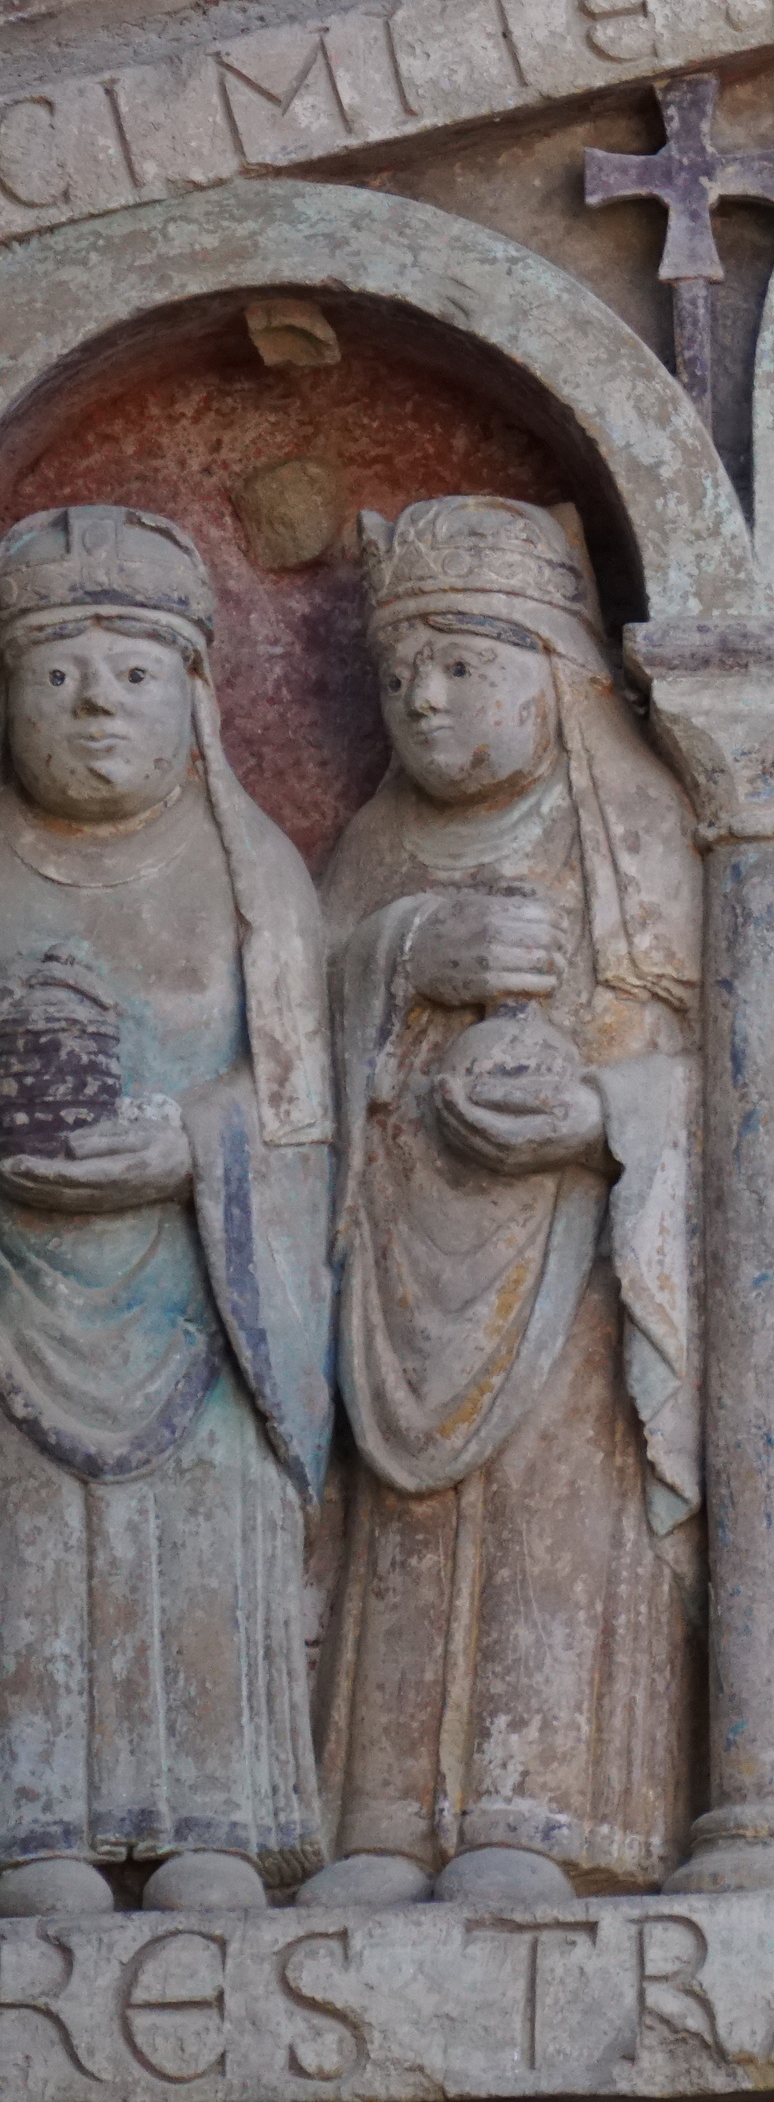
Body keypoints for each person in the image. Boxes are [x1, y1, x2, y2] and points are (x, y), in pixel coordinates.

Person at [303, 499, 703, 1909]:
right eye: (401, 666)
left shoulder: (642, 834)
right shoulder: (368, 853)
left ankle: (542, 1806)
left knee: (558, 1503)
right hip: (403, 1259)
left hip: (585, 1252)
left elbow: (748, 1069)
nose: (423, 691)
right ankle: (379, 1813)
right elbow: (291, 1045)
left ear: (557, 667)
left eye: (464, 659)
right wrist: (406, 955)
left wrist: (610, 1111)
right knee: (397, 1522)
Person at [0, 507, 331, 1915]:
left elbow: (304, 1113)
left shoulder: (263, 888)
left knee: (207, 1510)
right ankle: (35, 1825)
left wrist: (193, 1145)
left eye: (132, 670)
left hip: (203, 1290)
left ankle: (220, 1814)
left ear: (194, 696)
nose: (94, 702)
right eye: (56, 671)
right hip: (17, 1291)